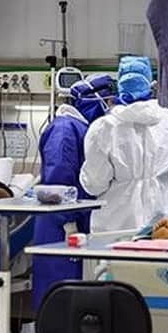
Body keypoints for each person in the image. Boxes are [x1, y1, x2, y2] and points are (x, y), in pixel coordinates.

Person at [80, 56, 168, 232]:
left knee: (116, 251)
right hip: (158, 225)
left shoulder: (103, 128)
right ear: (150, 85)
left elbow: (95, 184)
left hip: (114, 226)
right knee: (153, 250)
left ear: (119, 85)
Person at [32, 74, 114, 309]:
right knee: (61, 293)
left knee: (78, 296)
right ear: (92, 101)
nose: (109, 108)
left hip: (77, 221)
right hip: (60, 227)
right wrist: (68, 223)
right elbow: (58, 180)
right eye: (107, 102)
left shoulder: (82, 128)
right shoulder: (64, 129)